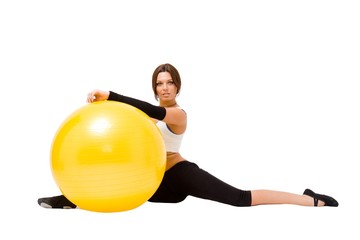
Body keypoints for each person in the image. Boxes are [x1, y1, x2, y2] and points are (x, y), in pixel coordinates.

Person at [38, 63, 338, 209]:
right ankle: (71, 198)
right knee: (105, 184)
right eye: (159, 84)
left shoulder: (178, 115)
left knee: (239, 199)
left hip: (178, 176)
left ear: (177, 87)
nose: (164, 88)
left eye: (169, 83)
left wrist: (111, 95)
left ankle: (310, 200)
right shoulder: (137, 119)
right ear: (154, 88)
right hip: (148, 184)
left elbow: (147, 110)